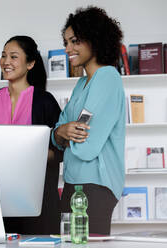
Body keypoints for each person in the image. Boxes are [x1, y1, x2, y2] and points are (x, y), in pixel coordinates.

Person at [52, 6, 126, 235]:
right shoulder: (81, 84)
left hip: (96, 185)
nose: (68, 49)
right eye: (66, 43)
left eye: (74, 41)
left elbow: (86, 145)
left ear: (94, 39)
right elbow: (59, 132)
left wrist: (64, 133)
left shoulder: (107, 78)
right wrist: (61, 132)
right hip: (74, 184)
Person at [0, 36, 63, 235]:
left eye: (13, 56)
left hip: (36, 199)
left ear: (30, 63)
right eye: (3, 56)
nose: (6, 61)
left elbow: (59, 151)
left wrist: (29, 158)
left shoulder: (45, 101)